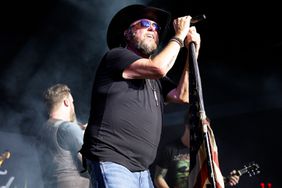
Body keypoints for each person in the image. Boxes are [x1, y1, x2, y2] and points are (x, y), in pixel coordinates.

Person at [80, 4, 201, 188]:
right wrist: (178, 36)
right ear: (128, 33)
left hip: (142, 171)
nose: (153, 28)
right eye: (145, 23)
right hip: (113, 160)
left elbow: (182, 95)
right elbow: (159, 68)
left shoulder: (156, 80)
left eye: (157, 27)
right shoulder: (117, 56)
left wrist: (192, 51)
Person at [154, 112, 240, 188]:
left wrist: (226, 179)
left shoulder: (205, 152)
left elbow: (207, 178)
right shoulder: (170, 149)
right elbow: (158, 178)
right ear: (187, 126)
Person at [37, 83, 91, 188]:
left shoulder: (42, 131)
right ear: (66, 102)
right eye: (72, 102)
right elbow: (89, 161)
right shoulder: (68, 128)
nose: (73, 106)